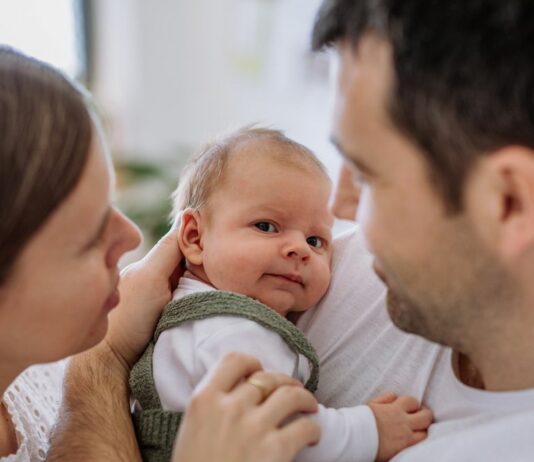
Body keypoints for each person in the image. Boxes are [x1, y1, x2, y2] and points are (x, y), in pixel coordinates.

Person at [0, 47, 321, 462]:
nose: (131, 236)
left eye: (111, 203)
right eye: (87, 230)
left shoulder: (43, 355)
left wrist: (108, 354)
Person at [300, 0, 534, 460]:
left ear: (508, 202)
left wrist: (110, 368)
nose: (339, 206)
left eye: (366, 175)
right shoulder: (339, 275)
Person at [129, 127, 432, 462]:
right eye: (266, 226)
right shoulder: (227, 329)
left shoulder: (202, 316)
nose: (299, 249)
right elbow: (281, 432)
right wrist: (369, 430)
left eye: (315, 240)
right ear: (195, 238)